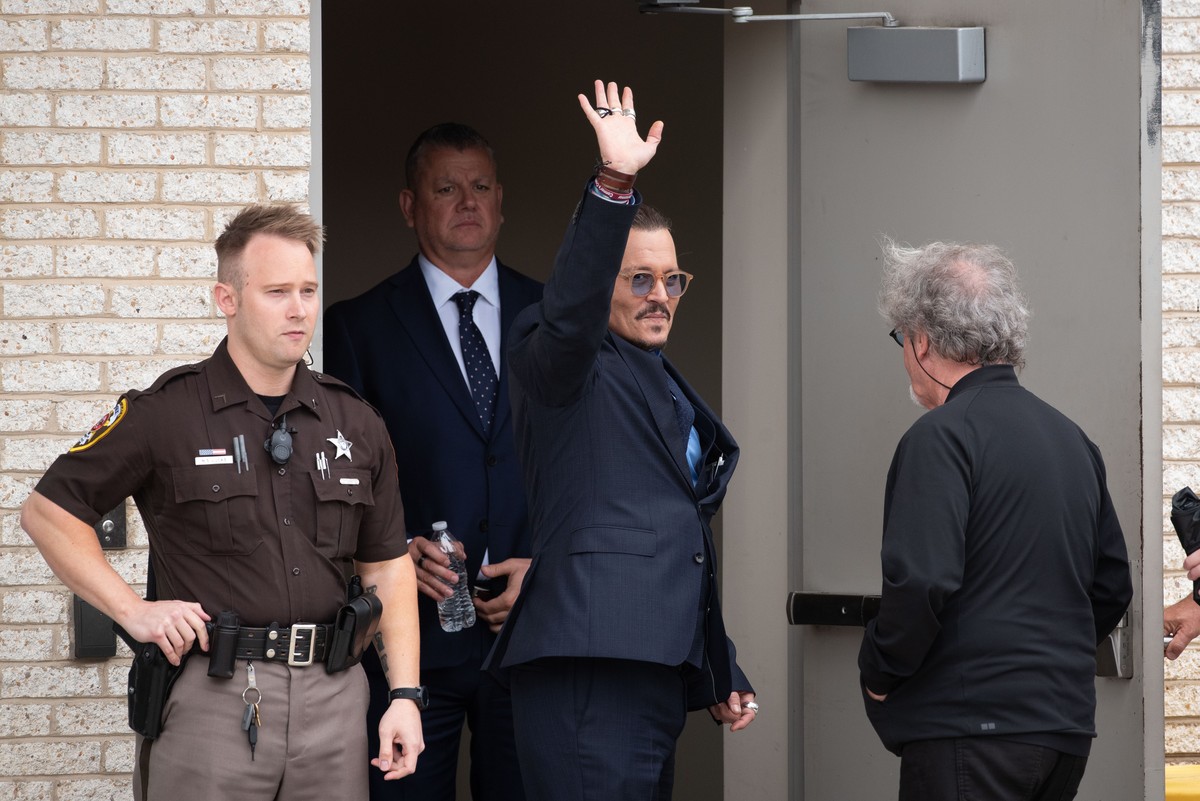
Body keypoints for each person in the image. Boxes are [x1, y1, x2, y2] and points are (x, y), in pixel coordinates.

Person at [19, 204, 424, 801]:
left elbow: (387, 566)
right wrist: (133, 610)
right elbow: (47, 512)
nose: (299, 308)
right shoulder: (166, 413)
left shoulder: (356, 423)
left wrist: (405, 696)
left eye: (309, 290)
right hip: (214, 696)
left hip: (335, 699)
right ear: (226, 298)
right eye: (277, 291)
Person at [485, 80, 756, 801]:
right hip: (588, 665)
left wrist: (721, 666)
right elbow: (570, 312)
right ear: (600, 279)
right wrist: (614, 184)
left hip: (650, 668)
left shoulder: (659, 376)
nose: (659, 294)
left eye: (672, 279)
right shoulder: (560, 357)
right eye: (639, 278)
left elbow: (674, 531)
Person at [857, 238, 1133, 800]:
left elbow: (922, 580)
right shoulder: (1071, 439)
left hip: (968, 732)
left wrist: (880, 672)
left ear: (923, 341)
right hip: (1062, 732)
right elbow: (1111, 586)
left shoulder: (941, 437)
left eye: (901, 339)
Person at [324, 123, 541, 801]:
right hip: (411, 641)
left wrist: (548, 563)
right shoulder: (357, 326)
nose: (467, 201)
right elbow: (341, 482)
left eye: (480, 187)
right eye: (446, 188)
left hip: (531, 632)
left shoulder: (553, 319)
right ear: (410, 206)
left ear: (502, 201)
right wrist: (394, 552)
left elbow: (583, 467)